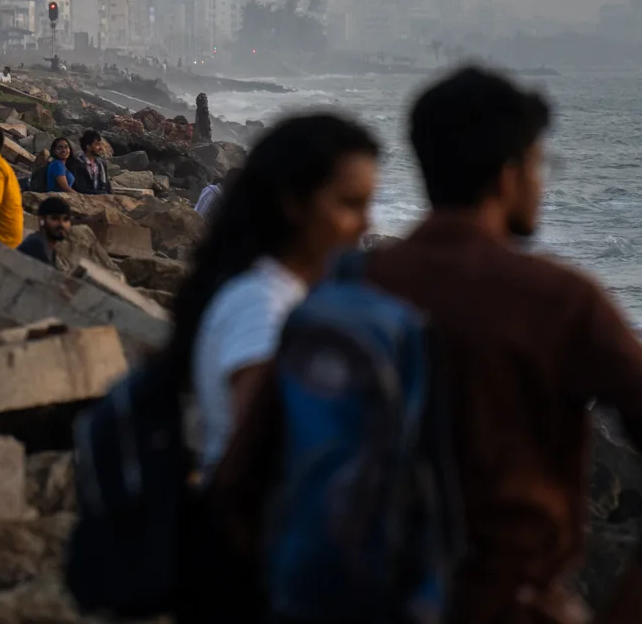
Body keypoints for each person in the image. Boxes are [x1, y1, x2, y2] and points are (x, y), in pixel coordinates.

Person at [358, 67, 642, 620]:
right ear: (508, 176)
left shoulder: (353, 286)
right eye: (539, 165)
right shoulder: (556, 301)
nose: (541, 182)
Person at [167, 113, 379, 477]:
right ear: (294, 204)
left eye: (368, 204)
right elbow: (266, 459)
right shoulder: (261, 307)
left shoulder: (281, 292)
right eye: (349, 204)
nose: (366, 224)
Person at [16, 197, 73, 265]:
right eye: (55, 218)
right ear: (41, 220)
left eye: (65, 219)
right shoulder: (36, 246)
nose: (61, 224)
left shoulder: (49, 248)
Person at [70, 130, 111, 195]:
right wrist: (102, 194)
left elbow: (107, 186)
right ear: (88, 147)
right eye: (97, 144)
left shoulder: (102, 163)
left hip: (103, 199)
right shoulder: (77, 164)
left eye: (100, 144)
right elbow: (82, 189)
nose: (100, 147)